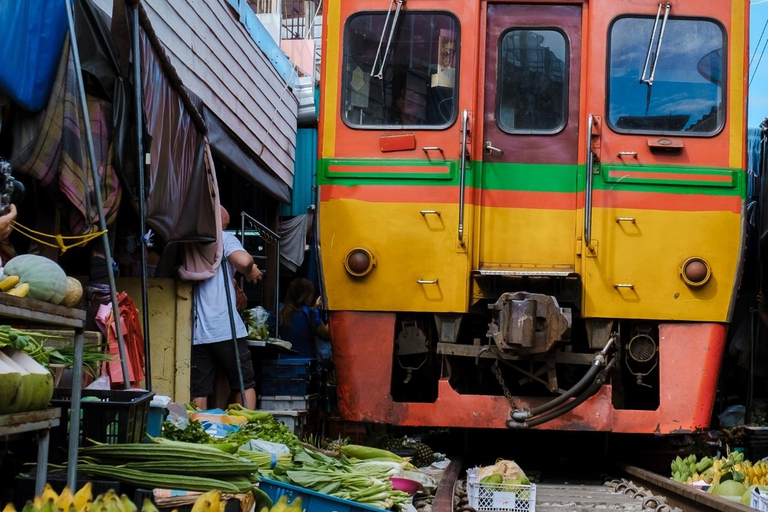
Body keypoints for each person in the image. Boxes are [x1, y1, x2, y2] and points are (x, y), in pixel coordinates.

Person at [191, 206, 263, 410]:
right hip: (226, 328)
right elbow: (244, 260)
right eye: (226, 223)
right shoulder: (222, 238)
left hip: (197, 332)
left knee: (200, 391)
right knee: (244, 383)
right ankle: (244, 427)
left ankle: (200, 434)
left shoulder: (189, 242)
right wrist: (250, 270)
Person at [278, 278, 329, 359]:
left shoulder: (280, 310)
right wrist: (331, 313)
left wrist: (314, 309)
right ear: (307, 295)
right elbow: (326, 334)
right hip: (306, 362)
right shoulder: (311, 313)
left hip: (283, 360)